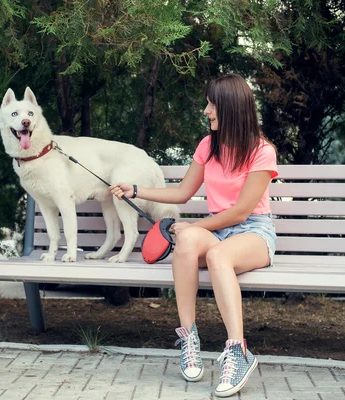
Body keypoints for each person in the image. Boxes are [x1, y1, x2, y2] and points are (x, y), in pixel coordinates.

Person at [109, 74, 278, 398]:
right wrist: (136, 189)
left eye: (211, 104)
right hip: (218, 228)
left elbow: (242, 212)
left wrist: (196, 226)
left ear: (229, 107)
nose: (206, 110)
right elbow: (184, 192)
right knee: (185, 241)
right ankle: (189, 338)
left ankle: (238, 350)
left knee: (216, 254)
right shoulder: (207, 146)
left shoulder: (262, 151)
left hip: (254, 231)